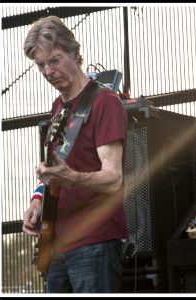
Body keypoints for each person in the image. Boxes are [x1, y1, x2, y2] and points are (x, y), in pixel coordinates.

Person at [22, 16, 128, 293]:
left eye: (55, 60)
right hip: (56, 241)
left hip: (94, 241)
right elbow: (57, 170)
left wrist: (71, 178)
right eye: (40, 65)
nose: (48, 71)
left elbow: (113, 178)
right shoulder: (58, 105)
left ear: (75, 53)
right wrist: (37, 201)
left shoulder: (105, 102)